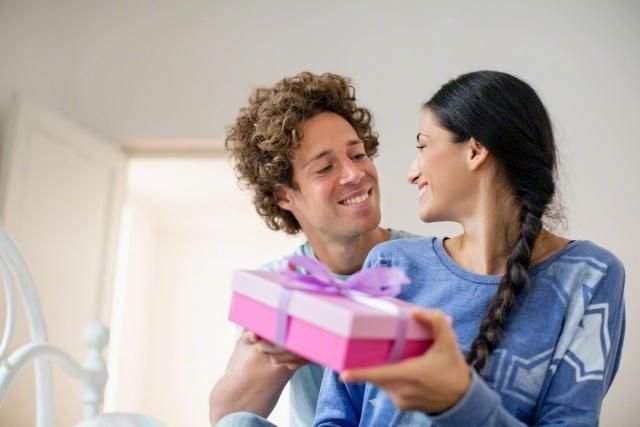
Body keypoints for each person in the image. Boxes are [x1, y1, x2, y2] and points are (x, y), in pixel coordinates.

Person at [313, 70, 626, 426]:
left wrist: (459, 401)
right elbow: (334, 418)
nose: (412, 173)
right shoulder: (388, 265)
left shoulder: (589, 277)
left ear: (475, 151)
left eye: (422, 146)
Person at [209, 71, 415, 427]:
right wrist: (279, 354)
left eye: (358, 154)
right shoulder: (276, 284)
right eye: (325, 167)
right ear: (284, 195)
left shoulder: (429, 261)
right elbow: (225, 417)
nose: (354, 174)